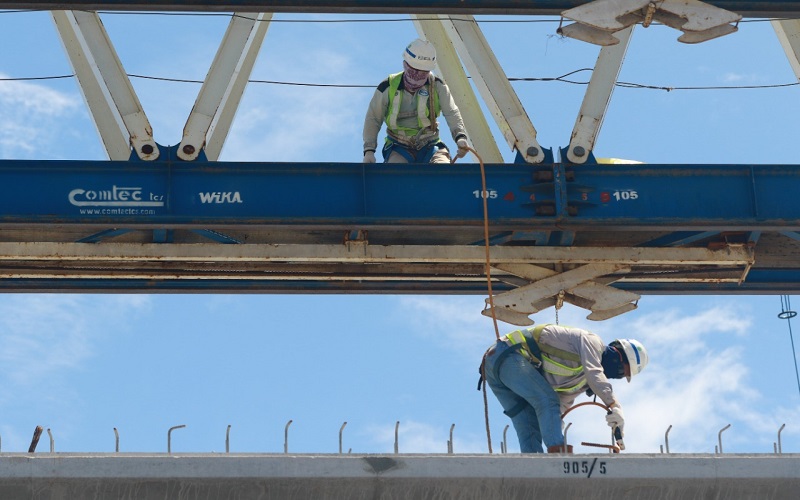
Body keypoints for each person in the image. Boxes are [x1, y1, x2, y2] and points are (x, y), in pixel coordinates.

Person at [479, 323, 648, 453]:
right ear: (617, 354)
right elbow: (595, 373)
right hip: (507, 354)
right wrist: (614, 405)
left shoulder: (578, 383)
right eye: (620, 370)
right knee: (546, 399)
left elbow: (555, 412)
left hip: (499, 371)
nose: (615, 375)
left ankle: (534, 471)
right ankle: (559, 459)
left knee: (529, 421)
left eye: (620, 375)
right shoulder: (591, 341)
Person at [363, 39, 470, 164]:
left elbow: (452, 113)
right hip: (398, 147)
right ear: (405, 65)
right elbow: (373, 118)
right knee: (396, 173)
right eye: (413, 72)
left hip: (430, 145)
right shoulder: (388, 86)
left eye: (422, 74)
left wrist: (460, 137)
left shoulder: (437, 86)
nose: (416, 79)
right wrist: (369, 150)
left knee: (443, 171)